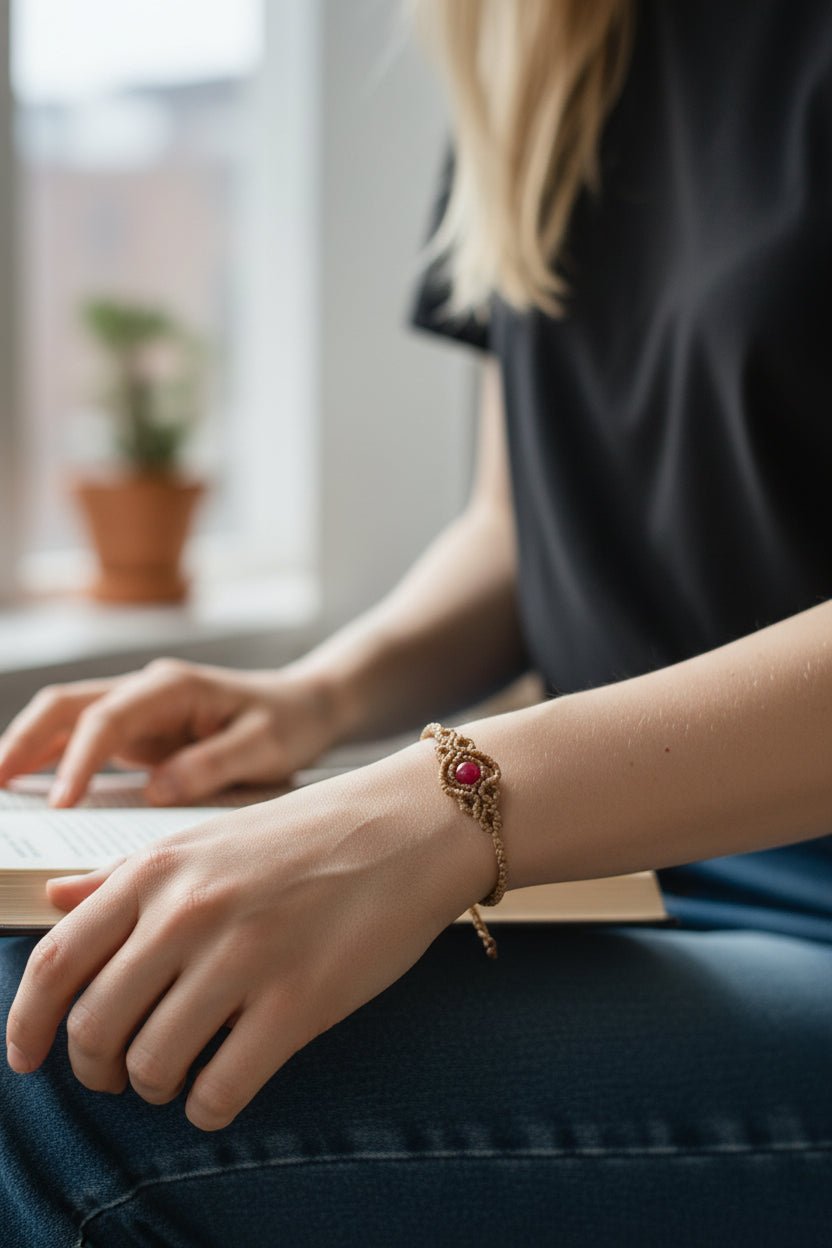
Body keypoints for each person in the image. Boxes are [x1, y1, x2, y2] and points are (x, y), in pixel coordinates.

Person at [2, 0, 831, 1243]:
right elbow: (522, 521)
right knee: (61, 976)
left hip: (790, 902)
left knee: (58, 1078)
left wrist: (442, 804)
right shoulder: (542, 43)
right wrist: (316, 698)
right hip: (617, 872)